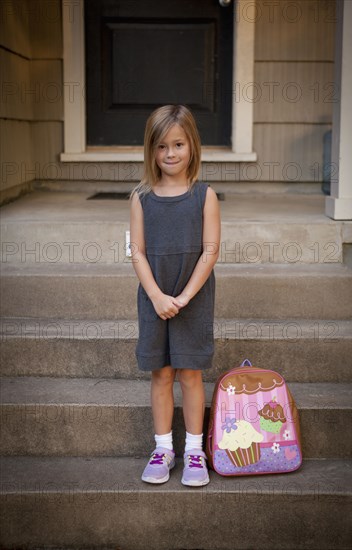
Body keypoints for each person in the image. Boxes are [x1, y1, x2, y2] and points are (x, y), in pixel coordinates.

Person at [129, 104, 220, 486]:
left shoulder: (205, 196)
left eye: (178, 144)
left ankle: (195, 450)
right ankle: (164, 447)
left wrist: (183, 297)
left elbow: (211, 250)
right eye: (162, 146)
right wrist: (157, 296)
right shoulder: (141, 198)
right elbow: (137, 252)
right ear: (151, 150)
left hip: (192, 298)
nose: (170, 153)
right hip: (155, 299)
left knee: (190, 374)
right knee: (162, 373)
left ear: (192, 147)